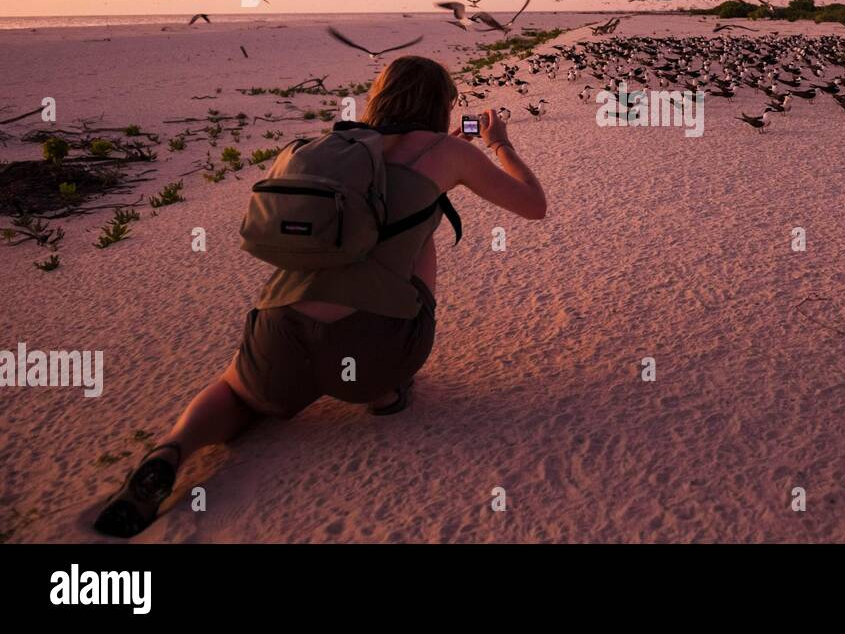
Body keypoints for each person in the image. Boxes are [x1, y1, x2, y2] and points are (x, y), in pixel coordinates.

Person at [93, 56, 546, 537]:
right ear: (441, 104)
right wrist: (499, 145)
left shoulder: (334, 149)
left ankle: (173, 449)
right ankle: (384, 391)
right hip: (374, 347)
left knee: (235, 391)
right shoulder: (451, 154)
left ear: (379, 97)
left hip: (281, 332)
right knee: (419, 233)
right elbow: (533, 205)